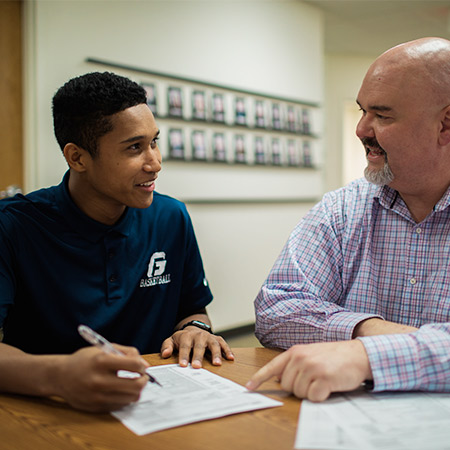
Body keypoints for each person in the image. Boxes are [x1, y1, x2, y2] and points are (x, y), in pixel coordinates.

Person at [0, 71, 234, 412]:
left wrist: (196, 329)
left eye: (154, 141)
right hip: (51, 411)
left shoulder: (171, 217)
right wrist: (59, 375)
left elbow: (192, 309)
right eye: (134, 148)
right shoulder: (13, 226)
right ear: (77, 157)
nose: (155, 163)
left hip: (154, 405)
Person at [246, 37, 450, 401]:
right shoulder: (342, 209)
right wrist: (368, 330)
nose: (361, 130)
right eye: (362, 111)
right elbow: (276, 308)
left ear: (445, 124)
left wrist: (369, 357)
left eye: (382, 115)